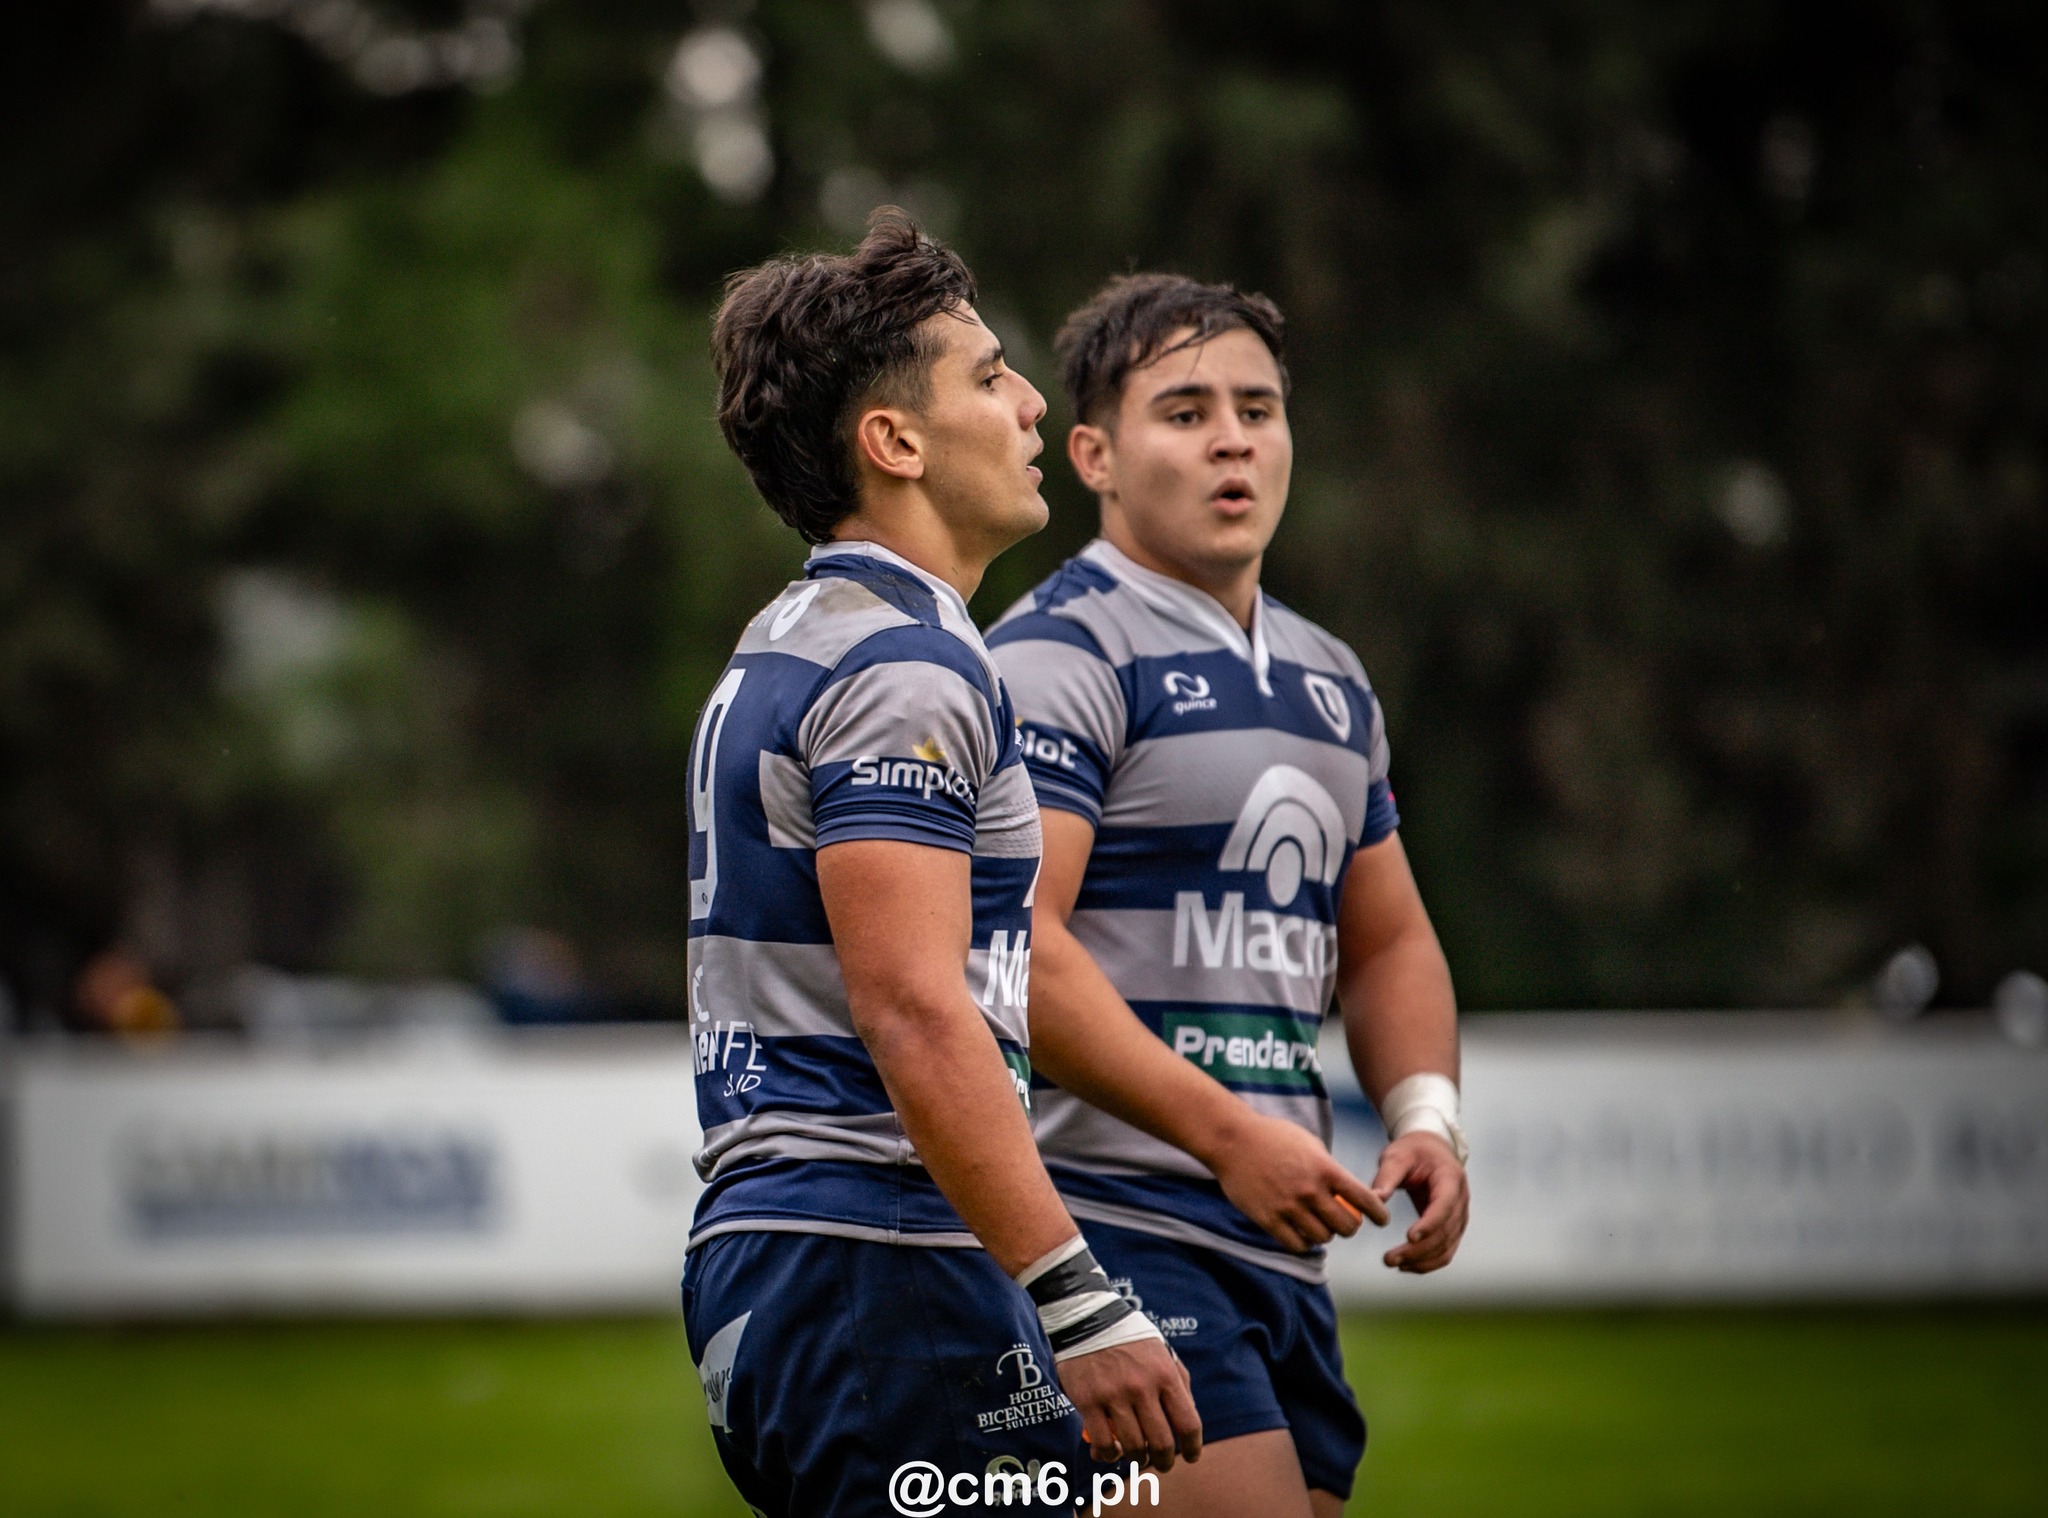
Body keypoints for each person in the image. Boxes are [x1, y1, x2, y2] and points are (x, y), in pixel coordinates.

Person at [680, 217, 1201, 1518]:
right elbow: (912, 1003)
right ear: (895, 443)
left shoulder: (802, 630)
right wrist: (1081, 1296)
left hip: (814, 1253)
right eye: (988, 375)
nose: (1031, 405)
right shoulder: (901, 666)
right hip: (878, 1247)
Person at [987, 273, 1471, 1516]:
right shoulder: (1058, 653)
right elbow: (1015, 952)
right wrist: (1223, 1134)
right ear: (1090, 452)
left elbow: (1387, 941)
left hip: (1282, 1252)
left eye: (1256, 407)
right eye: (1185, 409)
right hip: (1116, 1226)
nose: (1231, 439)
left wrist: (1424, 1114)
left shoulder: (1329, 676)